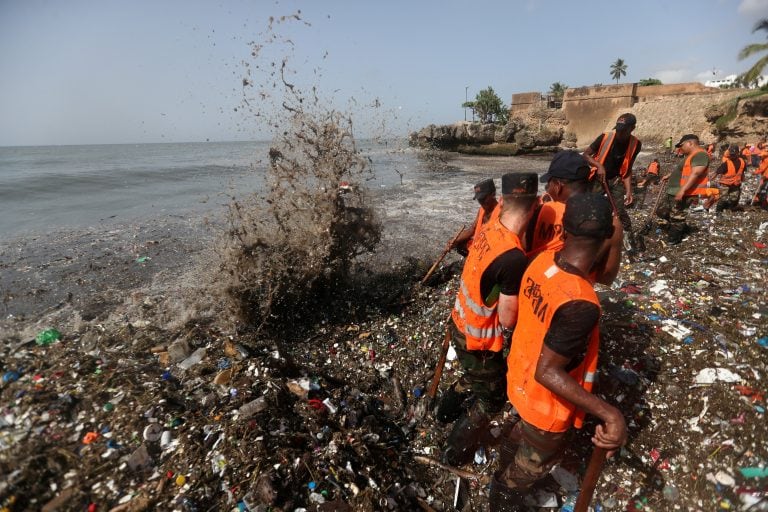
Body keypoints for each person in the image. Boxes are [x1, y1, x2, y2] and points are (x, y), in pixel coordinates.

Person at [488, 193, 628, 511]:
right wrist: (610, 414)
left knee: (516, 445)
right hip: (545, 408)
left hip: (519, 383)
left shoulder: (540, 262)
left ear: (563, 229)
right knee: (522, 474)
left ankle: (505, 470)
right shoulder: (581, 304)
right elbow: (548, 371)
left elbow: (597, 273)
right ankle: (502, 497)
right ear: (606, 235)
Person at [442, 172, 539, 467]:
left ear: (504, 200)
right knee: (492, 401)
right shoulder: (513, 257)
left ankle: (442, 412)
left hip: (459, 321)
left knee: (473, 379)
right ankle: (455, 452)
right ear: (534, 205)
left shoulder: (489, 229)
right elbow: (508, 320)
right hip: (479, 340)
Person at [526, 150, 623, 285]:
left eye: (549, 184)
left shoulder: (539, 209)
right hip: (574, 295)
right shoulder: (611, 223)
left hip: (531, 288)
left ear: (558, 186)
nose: (548, 189)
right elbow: (606, 277)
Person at [582, 113, 642, 253]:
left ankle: (627, 238)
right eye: (618, 130)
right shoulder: (605, 137)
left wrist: (629, 191)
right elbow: (585, 155)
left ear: (632, 128)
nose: (619, 133)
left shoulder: (636, 144)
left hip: (616, 179)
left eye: (623, 131)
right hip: (598, 178)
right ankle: (590, 235)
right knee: (592, 206)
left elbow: (627, 169)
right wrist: (599, 166)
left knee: (619, 210)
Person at [657, 134, 711, 245]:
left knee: (677, 216)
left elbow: (695, 173)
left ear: (690, 143)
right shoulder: (690, 156)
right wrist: (670, 175)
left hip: (685, 192)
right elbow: (682, 171)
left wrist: (682, 190)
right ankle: (683, 228)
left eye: (681, 145)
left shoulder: (700, 155)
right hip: (673, 191)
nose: (680, 148)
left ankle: (674, 239)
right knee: (662, 211)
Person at [448, 178, 499, 257]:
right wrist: (454, 240)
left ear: (493, 194)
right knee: (459, 243)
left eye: (483, 198)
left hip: (491, 250)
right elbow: (472, 229)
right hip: (479, 245)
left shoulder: (501, 213)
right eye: (479, 199)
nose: (481, 202)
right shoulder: (482, 210)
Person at [714, 144, 747, 213]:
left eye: (734, 154)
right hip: (725, 184)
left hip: (736, 184)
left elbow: (742, 172)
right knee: (723, 198)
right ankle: (718, 211)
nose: (732, 156)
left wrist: (743, 179)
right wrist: (711, 179)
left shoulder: (742, 162)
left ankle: (730, 208)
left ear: (738, 153)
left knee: (734, 198)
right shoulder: (726, 163)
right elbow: (717, 171)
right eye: (731, 154)